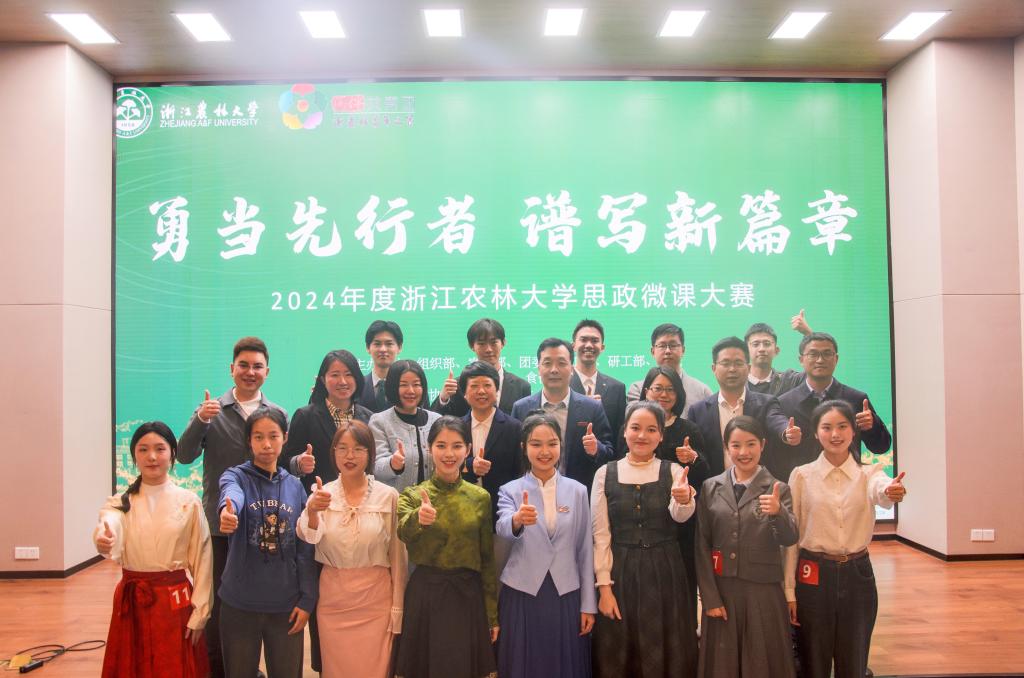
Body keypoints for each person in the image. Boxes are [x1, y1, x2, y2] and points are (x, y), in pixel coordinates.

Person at [177, 336, 286, 678]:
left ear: (267, 371)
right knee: (219, 606)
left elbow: (282, 469)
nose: (250, 372)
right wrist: (200, 419)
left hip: (264, 527)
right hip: (220, 527)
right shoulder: (211, 410)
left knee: (257, 603)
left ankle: (250, 669)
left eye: (257, 366)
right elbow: (183, 456)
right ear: (232, 369)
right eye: (244, 366)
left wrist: (300, 463)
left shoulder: (278, 414)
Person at [785, 400, 907, 678]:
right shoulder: (801, 476)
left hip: (857, 574)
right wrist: (789, 591)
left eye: (842, 426)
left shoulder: (869, 474)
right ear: (815, 433)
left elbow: (882, 490)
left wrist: (891, 491)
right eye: (826, 427)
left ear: (854, 431)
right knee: (813, 662)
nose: (835, 434)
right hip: (813, 574)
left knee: (854, 662)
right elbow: (791, 539)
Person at [94, 421, 212, 678]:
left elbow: (203, 558)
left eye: (160, 449)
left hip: (174, 601)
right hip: (133, 601)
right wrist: (104, 538)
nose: (152, 457)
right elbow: (110, 522)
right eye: (143, 449)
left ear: (172, 454)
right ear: (134, 456)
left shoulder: (188, 502)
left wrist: (200, 613)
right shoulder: (121, 502)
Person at [591, 401, 698, 678]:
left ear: (661, 435)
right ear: (624, 431)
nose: (642, 435)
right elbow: (601, 534)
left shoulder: (674, 471)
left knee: (665, 649)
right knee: (619, 653)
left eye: (651, 429)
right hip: (621, 572)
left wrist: (684, 499)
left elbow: (681, 516)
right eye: (635, 428)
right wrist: (604, 588)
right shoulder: (605, 473)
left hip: (665, 571)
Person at [296, 420, 407, 678]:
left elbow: (398, 558)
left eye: (358, 449)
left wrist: (397, 608)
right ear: (333, 452)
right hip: (333, 601)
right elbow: (307, 536)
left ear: (370, 453)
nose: (350, 456)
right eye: (342, 448)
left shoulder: (388, 495)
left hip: (376, 601)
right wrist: (312, 510)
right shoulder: (322, 493)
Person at [217, 407, 317, 678]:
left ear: (285, 437)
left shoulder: (295, 486)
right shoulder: (235, 476)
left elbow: (305, 548)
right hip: (239, 604)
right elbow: (231, 495)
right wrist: (228, 512)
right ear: (249, 440)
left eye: (273, 436)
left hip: (285, 606)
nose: (266, 444)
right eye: (258, 437)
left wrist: (308, 599)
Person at [395, 416, 499, 678]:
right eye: (441, 446)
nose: (449, 454)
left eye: (457, 446)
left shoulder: (480, 497)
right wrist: (418, 519)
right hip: (425, 595)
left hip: (467, 595)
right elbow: (402, 533)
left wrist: (491, 615)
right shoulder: (413, 494)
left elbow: (487, 558)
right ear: (429, 448)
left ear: (468, 449)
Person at [695, 416, 798, 678]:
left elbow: (789, 538)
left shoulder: (778, 488)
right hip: (722, 591)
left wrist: (778, 513)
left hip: (762, 592)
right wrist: (709, 597)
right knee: (722, 665)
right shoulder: (710, 487)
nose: (744, 452)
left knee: (762, 662)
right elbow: (702, 545)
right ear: (726, 447)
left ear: (762, 445)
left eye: (751, 444)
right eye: (736, 445)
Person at [495, 412, 596, 678]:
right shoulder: (510, 490)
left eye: (552, 443)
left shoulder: (578, 490)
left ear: (561, 446)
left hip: (566, 593)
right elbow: (503, 526)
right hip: (522, 592)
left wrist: (588, 604)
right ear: (524, 447)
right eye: (536, 444)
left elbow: (585, 550)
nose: (544, 451)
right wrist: (517, 520)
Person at [635, 365, 710, 624]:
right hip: (643, 521)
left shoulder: (689, 428)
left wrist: (694, 458)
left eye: (670, 390)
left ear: (678, 395)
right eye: (657, 388)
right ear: (646, 391)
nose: (663, 395)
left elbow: (705, 474)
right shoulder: (634, 427)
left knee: (682, 586)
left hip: (681, 525)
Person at [775, 332, 893, 483]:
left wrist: (872, 425)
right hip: (802, 486)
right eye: (813, 354)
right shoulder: (785, 403)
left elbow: (881, 447)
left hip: (847, 486)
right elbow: (776, 456)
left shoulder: (856, 399)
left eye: (827, 354)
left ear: (836, 359)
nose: (820, 360)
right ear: (801, 360)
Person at [686, 337, 799, 478]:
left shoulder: (766, 403)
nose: (732, 369)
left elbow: (776, 419)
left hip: (759, 486)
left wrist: (786, 431)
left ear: (749, 368)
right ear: (714, 368)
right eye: (725, 363)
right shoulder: (698, 411)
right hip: (715, 488)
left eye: (738, 363)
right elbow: (697, 454)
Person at [512, 338, 615, 493]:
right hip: (531, 493)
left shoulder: (592, 408)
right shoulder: (521, 408)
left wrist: (596, 449)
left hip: (578, 493)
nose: (554, 370)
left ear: (572, 368)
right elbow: (515, 456)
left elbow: (610, 453)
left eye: (561, 363)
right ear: (538, 368)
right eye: (547, 363)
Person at [284, 349, 373, 493]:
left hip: (361, 498)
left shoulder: (369, 418)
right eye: (335, 375)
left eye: (349, 374)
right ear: (322, 379)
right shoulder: (305, 416)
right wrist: (299, 463)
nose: (342, 381)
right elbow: (284, 462)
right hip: (319, 498)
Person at [458, 360, 523, 529]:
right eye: (474, 386)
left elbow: (520, 473)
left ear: (497, 390)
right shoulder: (456, 428)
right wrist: (470, 466)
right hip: (463, 516)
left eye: (487, 385)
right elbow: (448, 467)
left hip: (502, 515)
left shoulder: (514, 427)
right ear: (464, 393)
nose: (481, 391)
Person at [432, 318, 532, 416]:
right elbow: (434, 420)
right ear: (471, 346)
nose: (488, 349)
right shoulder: (457, 386)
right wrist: (443, 398)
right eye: (481, 344)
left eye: (493, 343)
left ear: (503, 343)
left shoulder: (521, 386)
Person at [369, 359, 441, 493]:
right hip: (396, 502)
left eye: (416, 384)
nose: (411, 391)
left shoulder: (436, 420)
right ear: (393, 387)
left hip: (433, 502)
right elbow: (376, 468)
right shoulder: (379, 421)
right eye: (403, 385)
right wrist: (392, 463)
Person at [626, 323, 712, 416]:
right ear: (652, 351)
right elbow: (633, 419)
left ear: (683, 350)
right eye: (662, 346)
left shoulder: (702, 391)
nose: (667, 351)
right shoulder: (638, 389)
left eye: (673, 345)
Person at [570, 319, 627, 438]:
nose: (589, 345)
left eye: (595, 341)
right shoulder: (562, 386)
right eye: (583, 340)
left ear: (602, 347)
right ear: (573, 346)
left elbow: (620, 432)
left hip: (606, 449)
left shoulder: (617, 388)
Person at [358, 320, 427, 413]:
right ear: (368, 347)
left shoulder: (414, 388)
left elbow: (427, 416)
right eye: (377, 344)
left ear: (399, 347)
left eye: (389, 344)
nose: (383, 349)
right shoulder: (358, 386)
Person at [745, 313, 813, 396]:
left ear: (776, 351)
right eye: (756, 344)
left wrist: (808, 334)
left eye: (767, 344)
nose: (761, 349)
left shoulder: (788, 381)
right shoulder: (736, 381)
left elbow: (815, 374)